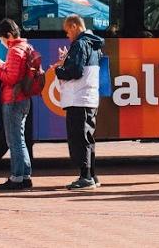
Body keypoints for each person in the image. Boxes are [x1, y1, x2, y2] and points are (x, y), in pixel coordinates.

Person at [52, 15, 105, 190]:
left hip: (78, 98)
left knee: (79, 138)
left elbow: (75, 71)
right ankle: (92, 175)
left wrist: (59, 69)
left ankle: (85, 177)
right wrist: (66, 60)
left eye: (67, 31)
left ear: (74, 26)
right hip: (89, 98)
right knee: (87, 138)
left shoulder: (80, 44)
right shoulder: (94, 45)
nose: (67, 35)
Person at [0, 19, 38, 190]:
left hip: (13, 100)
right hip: (24, 100)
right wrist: (2, 65)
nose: (1, 42)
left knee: (13, 140)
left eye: (1, 38)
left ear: (8, 35)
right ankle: (25, 176)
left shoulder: (14, 51)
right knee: (20, 139)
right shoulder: (26, 47)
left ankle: (16, 178)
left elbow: (11, 78)